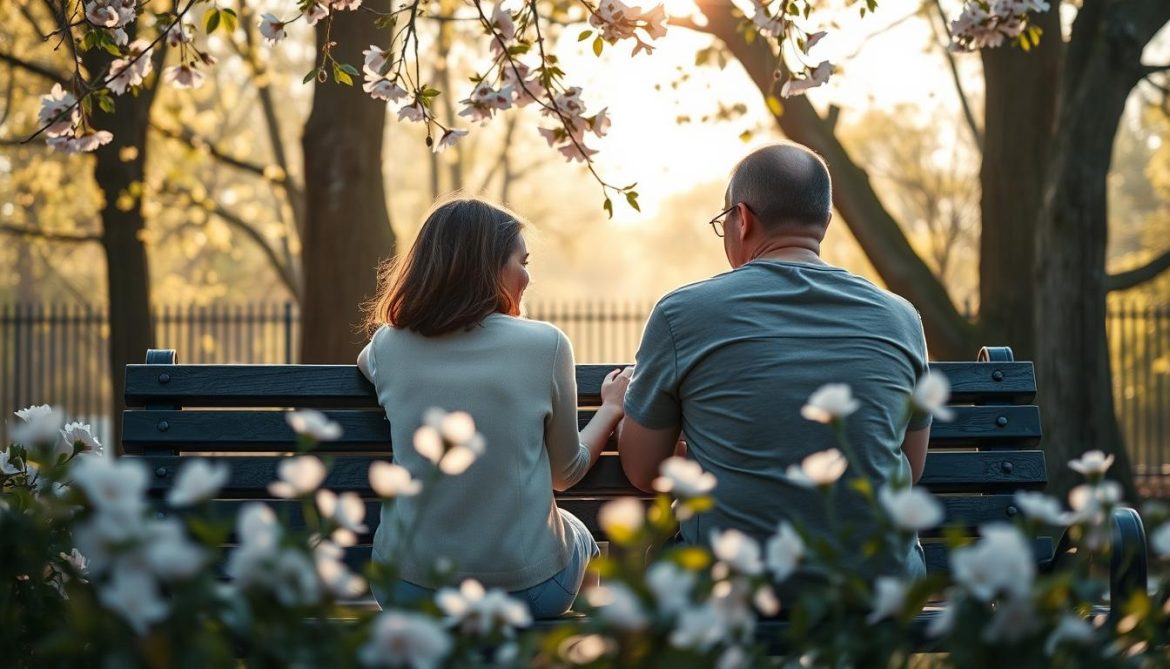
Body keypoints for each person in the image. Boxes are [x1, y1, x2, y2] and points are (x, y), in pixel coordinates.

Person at [618, 142, 932, 580]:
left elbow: (642, 469)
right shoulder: (901, 318)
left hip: (735, 583)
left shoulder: (683, 313)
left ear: (741, 219)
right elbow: (909, 468)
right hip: (878, 582)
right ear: (825, 221)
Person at [357, 197, 630, 617]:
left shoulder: (389, 346)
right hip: (526, 593)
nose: (528, 276)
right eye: (522, 261)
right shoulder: (546, 344)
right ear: (487, 266)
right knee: (579, 536)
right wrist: (611, 408)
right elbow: (565, 474)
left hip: (406, 587)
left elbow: (367, 361)